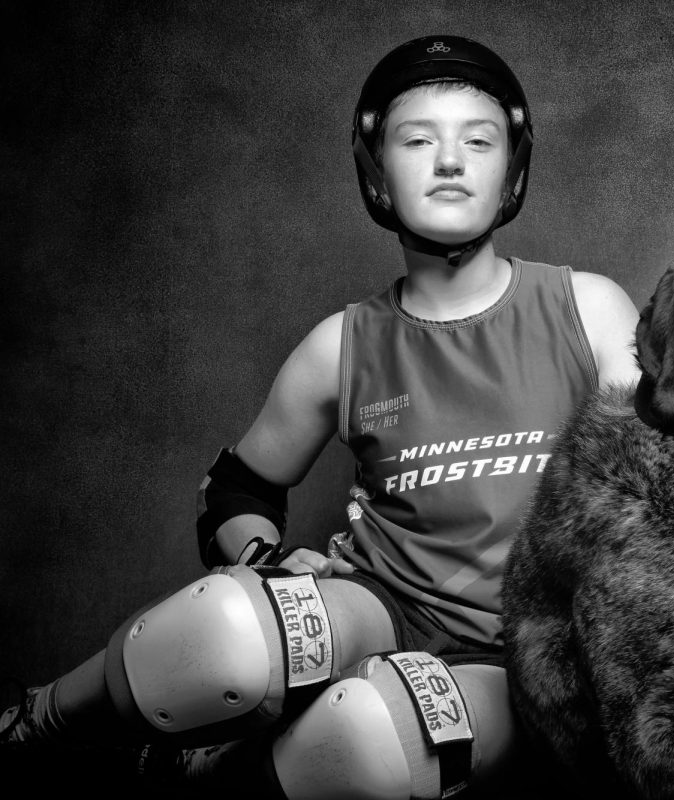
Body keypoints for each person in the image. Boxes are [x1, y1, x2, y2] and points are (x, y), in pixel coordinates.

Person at [0, 34, 641, 798]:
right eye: (417, 140)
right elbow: (236, 492)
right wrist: (265, 558)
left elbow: (656, 481)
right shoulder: (341, 346)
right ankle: (38, 719)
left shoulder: (586, 307)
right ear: (376, 171)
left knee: (369, 741)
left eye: (478, 139)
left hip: (522, 654)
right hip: (381, 604)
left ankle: (210, 770)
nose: (449, 161)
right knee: (223, 634)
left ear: (512, 166)